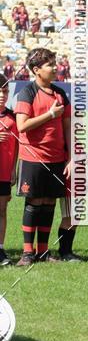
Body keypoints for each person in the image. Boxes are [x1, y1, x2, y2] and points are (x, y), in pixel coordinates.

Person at [14, 48, 71, 266]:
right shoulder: (27, 93)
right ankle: (27, 253)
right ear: (37, 70)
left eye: (55, 63)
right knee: (34, 202)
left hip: (56, 158)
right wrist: (50, 114)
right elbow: (22, 126)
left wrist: (70, 156)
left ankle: (43, 251)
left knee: (49, 202)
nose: (56, 68)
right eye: (50, 65)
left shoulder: (60, 93)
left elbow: (67, 126)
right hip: (33, 158)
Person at [0, 73, 17, 265]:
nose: (2, 95)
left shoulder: (12, 116)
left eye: (5, 91)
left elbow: (18, 145)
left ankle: (0, 249)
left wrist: (14, 169)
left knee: (2, 210)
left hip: (4, 172)